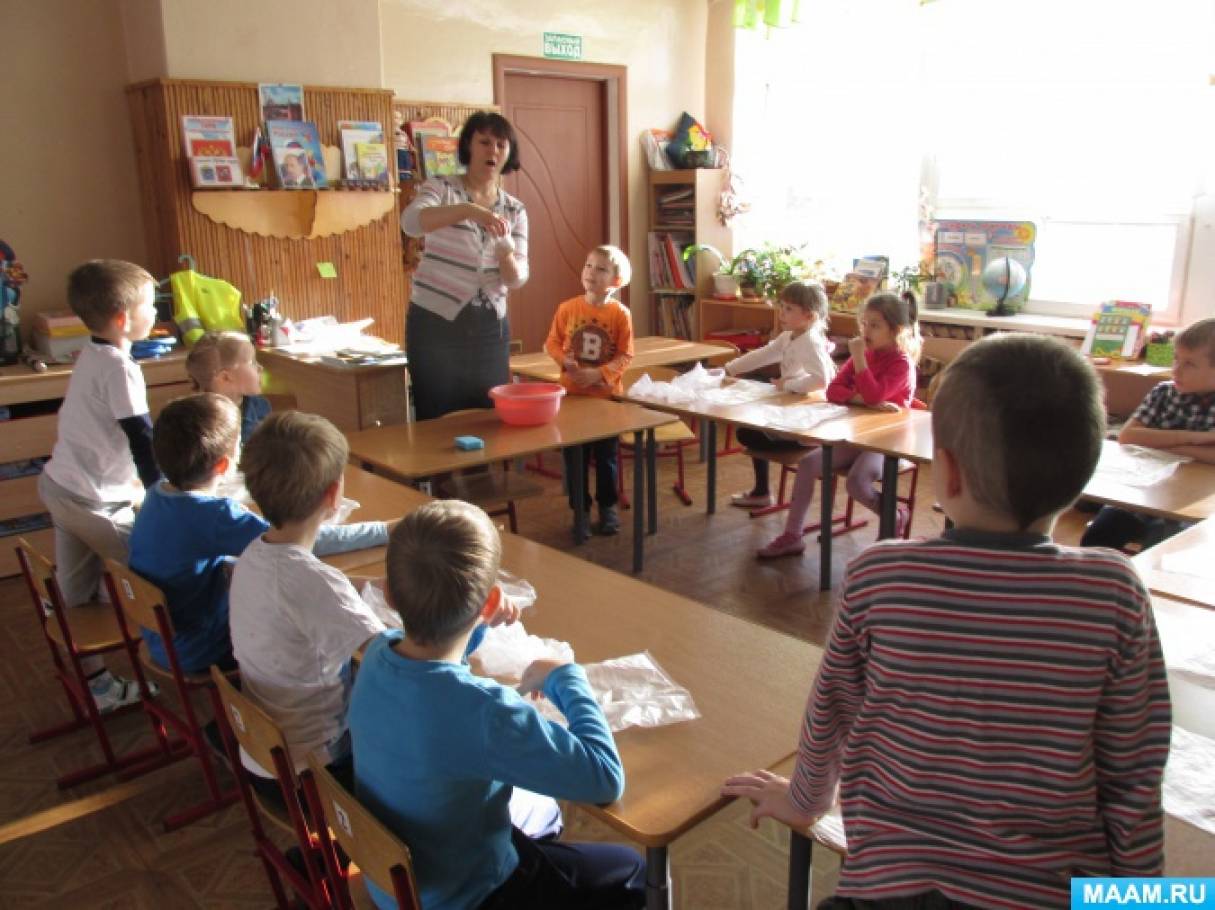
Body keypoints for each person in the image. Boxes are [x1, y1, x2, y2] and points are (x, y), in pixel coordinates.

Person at [723, 334, 1171, 910]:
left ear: (949, 473)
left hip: (890, 884)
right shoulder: (1115, 591)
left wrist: (805, 800)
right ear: (1083, 477)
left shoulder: (880, 574)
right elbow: (1135, 770)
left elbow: (831, 706)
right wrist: (1141, 894)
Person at [348, 499, 646, 910]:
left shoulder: (376, 655)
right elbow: (605, 778)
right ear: (489, 602)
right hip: (472, 895)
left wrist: (477, 625)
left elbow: (438, 666)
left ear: (389, 595)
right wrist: (565, 675)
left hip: (395, 885)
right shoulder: (484, 710)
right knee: (632, 869)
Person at [128, 394, 390, 675]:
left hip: (162, 640)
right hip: (198, 648)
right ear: (224, 465)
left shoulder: (156, 494)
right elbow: (291, 537)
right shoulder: (213, 516)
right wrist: (385, 530)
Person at [38, 259, 162, 712]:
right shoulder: (119, 368)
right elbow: (141, 436)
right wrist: (163, 496)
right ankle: (178, 657)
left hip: (61, 487)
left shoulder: (91, 354)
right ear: (123, 319)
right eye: (150, 305)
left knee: (74, 595)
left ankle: (96, 684)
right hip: (94, 502)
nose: (156, 311)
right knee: (156, 571)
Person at [757, 291, 920, 559]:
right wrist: (859, 399)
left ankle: (893, 516)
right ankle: (792, 535)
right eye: (864, 323)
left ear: (896, 330)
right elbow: (833, 391)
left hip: (888, 444)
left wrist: (861, 370)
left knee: (856, 482)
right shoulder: (863, 355)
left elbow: (874, 395)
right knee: (808, 464)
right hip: (857, 436)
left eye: (875, 325)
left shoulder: (901, 364)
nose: (866, 331)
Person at [401, 111, 529, 419]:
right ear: (468, 146)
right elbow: (411, 223)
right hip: (436, 325)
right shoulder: (441, 188)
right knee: (436, 420)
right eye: (484, 142)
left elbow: (517, 279)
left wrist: (505, 255)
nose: (493, 150)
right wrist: (468, 210)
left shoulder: (514, 209)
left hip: (489, 328)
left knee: (488, 419)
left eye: (501, 144)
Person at [1081, 316, 1215, 550]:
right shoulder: (1164, 392)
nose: (1176, 370)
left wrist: (1161, 442)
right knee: (1099, 533)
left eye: (1189, 364)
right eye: (1176, 359)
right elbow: (1128, 436)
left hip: (1197, 504)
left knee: (1165, 543)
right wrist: (1195, 438)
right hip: (1145, 492)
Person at [544, 245, 635, 538]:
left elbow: (625, 354)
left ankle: (607, 508)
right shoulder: (567, 308)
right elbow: (552, 343)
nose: (591, 272)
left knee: (606, 458)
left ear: (616, 281)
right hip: (572, 397)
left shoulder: (620, 314)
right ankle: (580, 512)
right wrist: (566, 362)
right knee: (575, 459)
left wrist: (598, 374)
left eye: (601, 269)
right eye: (588, 265)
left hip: (606, 400)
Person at [724, 281, 836, 510]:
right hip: (792, 407)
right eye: (782, 307)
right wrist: (730, 369)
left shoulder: (810, 342)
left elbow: (821, 380)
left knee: (749, 432)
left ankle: (808, 447)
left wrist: (788, 384)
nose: (781, 313)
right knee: (750, 428)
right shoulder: (789, 336)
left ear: (809, 316)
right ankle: (762, 491)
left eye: (789, 309)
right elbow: (764, 354)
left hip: (808, 418)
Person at [185, 331, 270, 444]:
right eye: (252, 363)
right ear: (225, 377)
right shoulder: (195, 422)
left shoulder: (260, 406)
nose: (260, 368)